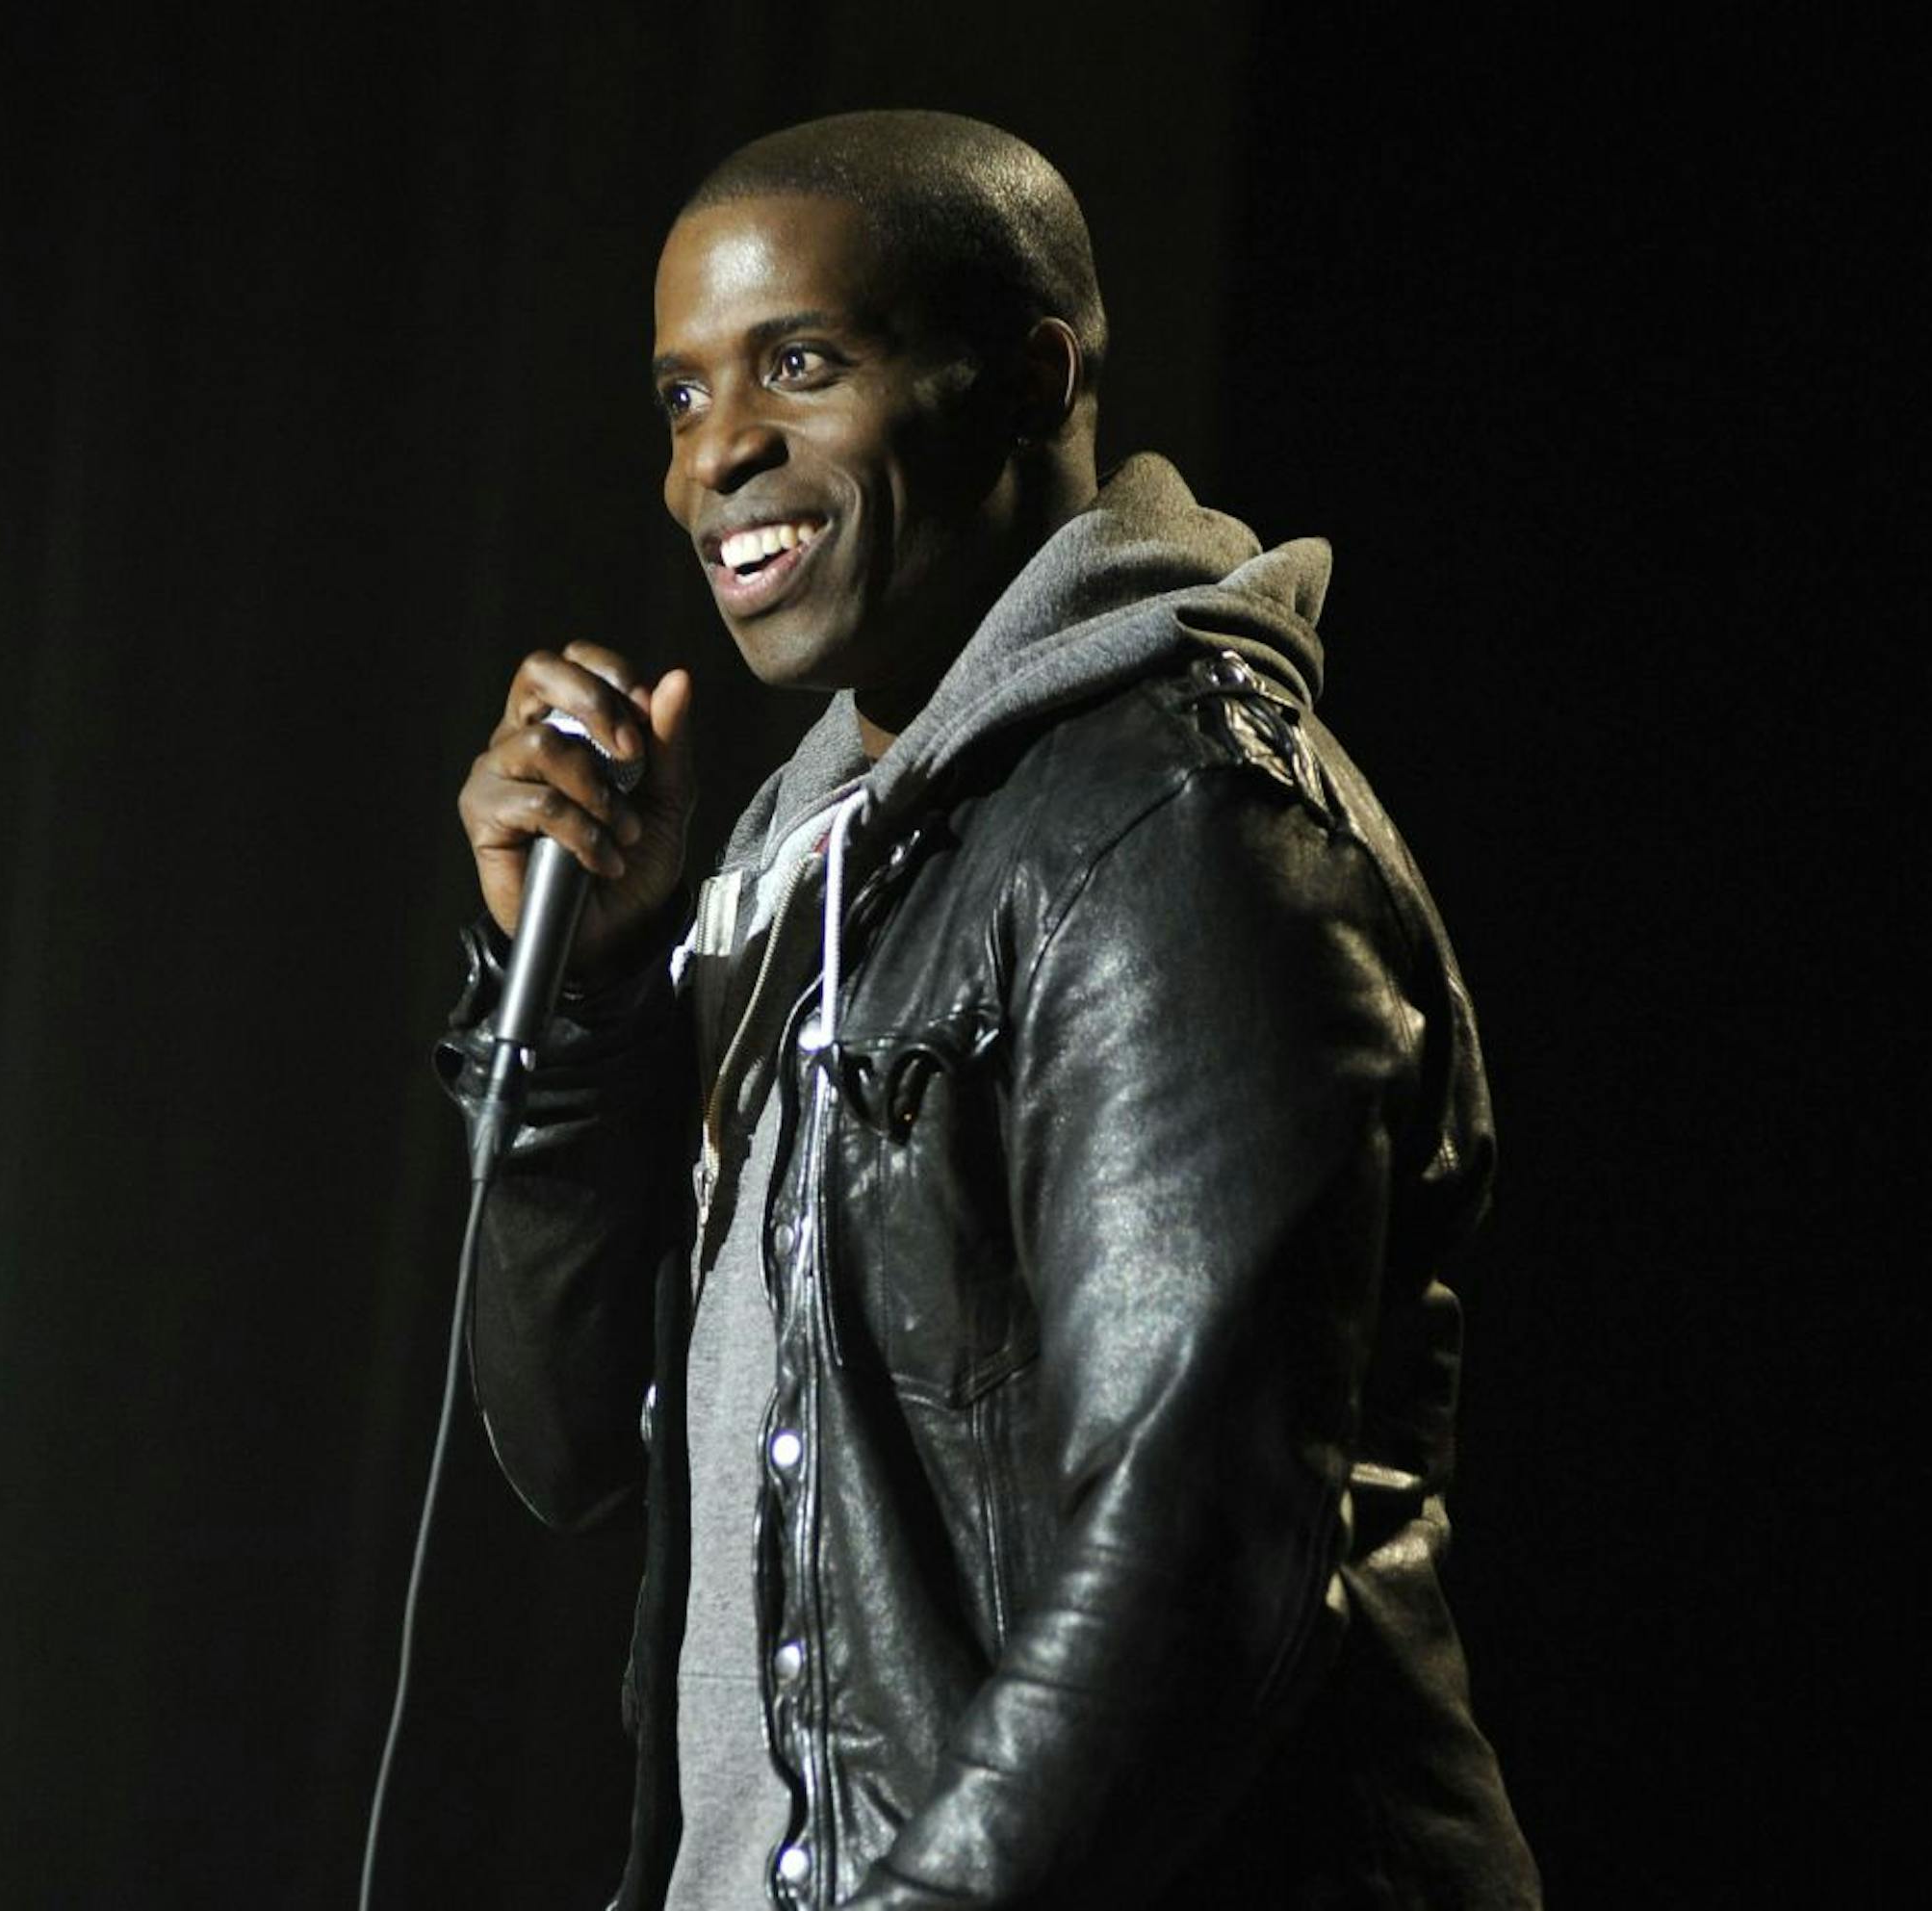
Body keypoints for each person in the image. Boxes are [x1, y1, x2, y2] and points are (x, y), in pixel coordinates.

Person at [441, 110, 1540, 1909]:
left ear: (1032, 378)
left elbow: (1191, 1571)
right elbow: (570, 1445)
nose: (718, 455)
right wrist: (580, 1003)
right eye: (680, 397)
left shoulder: (1178, 827)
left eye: (800, 364)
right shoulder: (798, 862)